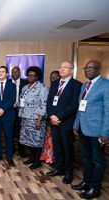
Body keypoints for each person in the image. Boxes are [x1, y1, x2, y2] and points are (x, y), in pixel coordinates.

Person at [72, 60, 109, 199]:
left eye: (91, 68)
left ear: (99, 69)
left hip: (97, 131)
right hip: (82, 128)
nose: (87, 70)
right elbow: (80, 108)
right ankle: (86, 182)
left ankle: (95, 187)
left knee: (97, 160)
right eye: (86, 68)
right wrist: (76, 125)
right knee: (86, 158)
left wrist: (105, 133)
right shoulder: (84, 86)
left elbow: (108, 111)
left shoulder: (106, 85)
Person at [46, 61, 82, 184]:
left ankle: (68, 172)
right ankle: (59, 168)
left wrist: (58, 117)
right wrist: (51, 116)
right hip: (53, 121)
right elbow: (49, 102)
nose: (61, 69)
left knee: (67, 148)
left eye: (65, 67)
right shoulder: (55, 83)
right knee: (57, 147)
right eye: (60, 67)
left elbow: (73, 105)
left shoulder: (77, 85)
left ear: (72, 70)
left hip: (66, 122)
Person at [18, 66, 49, 169]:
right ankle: (31, 158)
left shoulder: (42, 88)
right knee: (29, 140)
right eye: (28, 75)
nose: (30, 77)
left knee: (37, 140)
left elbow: (43, 105)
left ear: (37, 77)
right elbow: (21, 101)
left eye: (32, 75)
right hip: (25, 117)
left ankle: (37, 161)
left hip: (36, 119)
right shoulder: (25, 87)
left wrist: (39, 120)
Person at [0, 66, 16, 166]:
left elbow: (12, 100)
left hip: (8, 115)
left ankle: (9, 157)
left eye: (3, 71)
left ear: (7, 74)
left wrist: (3, 109)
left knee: (9, 137)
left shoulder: (12, 86)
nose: (1, 73)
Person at [40, 70, 60, 164]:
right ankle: (48, 157)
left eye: (56, 77)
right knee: (48, 140)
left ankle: (54, 159)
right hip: (48, 117)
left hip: (58, 119)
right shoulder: (47, 89)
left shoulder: (60, 89)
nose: (53, 79)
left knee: (56, 142)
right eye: (52, 77)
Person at [9, 66, 28, 158]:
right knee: (10, 129)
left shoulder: (26, 83)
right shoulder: (8, 83)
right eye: (13, 72)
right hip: (10, 110)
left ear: (20, 73)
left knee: (21, 129)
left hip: (22, 110)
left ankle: (21, 150)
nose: (15, 73)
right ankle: (12, 148)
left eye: (16, 72)